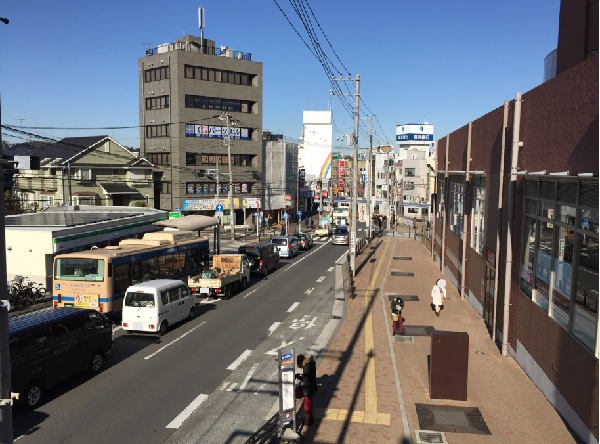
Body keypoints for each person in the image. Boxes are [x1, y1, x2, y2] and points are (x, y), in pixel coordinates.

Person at [295, 354, 317, 427]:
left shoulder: (306, 366)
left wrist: (298, 376)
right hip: (312, 386)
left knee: (306, 404)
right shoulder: (310, 363)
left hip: (308, 388)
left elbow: (306, 379)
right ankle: (310, 418)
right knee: (309, 403)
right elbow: (309, 375)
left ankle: (308, 420)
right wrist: (303, 374)